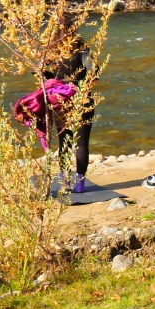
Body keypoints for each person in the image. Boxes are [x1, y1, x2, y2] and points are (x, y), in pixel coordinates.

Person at [46, 13, 96, 194]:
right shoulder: (83, 48)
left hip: (60, 99)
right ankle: (81, 185)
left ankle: (65, 182)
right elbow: (94, 74)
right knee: (82, 143)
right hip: (83, 98)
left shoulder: (51, 49)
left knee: (64, 141)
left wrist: (55, 81)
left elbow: (42, 74)